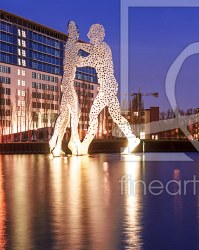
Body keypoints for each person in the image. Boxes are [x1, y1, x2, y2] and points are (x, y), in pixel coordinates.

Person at [74, 24, 140, 154]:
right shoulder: (98, 53)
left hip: (108, 86)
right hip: (105, 88)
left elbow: (92, 54)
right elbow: (85, 61)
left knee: (108, 115)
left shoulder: (104, 48)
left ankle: (132, 139)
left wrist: (78, 46)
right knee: (99, 114)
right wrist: (75, 58)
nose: (88, 36)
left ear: (98, 36)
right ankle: (85, 145)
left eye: (91, 34)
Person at [48, 21, 82, 156]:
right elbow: (77, 61)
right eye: (73, 31)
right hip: (67, 84)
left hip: (67, 83)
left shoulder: (71, 45)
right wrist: (93, 60)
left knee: (65, 117)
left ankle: (56, 145)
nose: (75, 34)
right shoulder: (70, 46)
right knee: (75, 112)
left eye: (76, 31)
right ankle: (74, 141)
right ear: (70, 32)